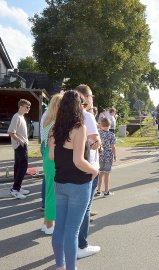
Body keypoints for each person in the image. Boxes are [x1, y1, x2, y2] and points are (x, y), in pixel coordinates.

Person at [49, 90, 99, 270]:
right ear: (79, 106)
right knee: (72, 231)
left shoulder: (55, 128)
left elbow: (52, 155)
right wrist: (94, 170)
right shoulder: (80, 128)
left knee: (60, 229)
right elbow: (78, 161)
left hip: (60, 183)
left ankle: (59, 266)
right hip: (79, 184)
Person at [75, 84, 102, 259]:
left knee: (74, 208)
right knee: (85, 208)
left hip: (72, 167)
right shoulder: (87, 116)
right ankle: (81, 245)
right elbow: (95, 142)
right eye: (91, 95)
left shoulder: (65, 115)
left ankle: (71, 244)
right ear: (85, 97)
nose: (92, 98)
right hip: (89, 166)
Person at [40, 93, 63, 235]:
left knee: (49, 191)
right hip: (53, 159)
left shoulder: (47, 120)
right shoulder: (56, 123)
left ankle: (45, 223)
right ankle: (49, 225)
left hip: (47, 160)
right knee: (52, 193)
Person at [7, 99, 31, 199]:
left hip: (21, 145)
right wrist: (20, 141)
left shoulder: (21, 117)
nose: (28, 108)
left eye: (29, 107)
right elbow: (11, 132)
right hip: (20, 145)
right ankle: (15, 189)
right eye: (27, 107)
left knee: (18, 166)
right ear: (21, 106)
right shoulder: (16, 117)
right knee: (23, 166)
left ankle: (17, 187)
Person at [96, 117, 117, 196]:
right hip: (108, 156)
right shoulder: (112, 135)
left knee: (100, 173)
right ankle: (106, 191)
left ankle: (98, 190)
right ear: (110, 125)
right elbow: (113, 147)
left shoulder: (98, 133)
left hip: (100, 155)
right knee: (106, 173)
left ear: (101, 125)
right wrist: (115, 155)